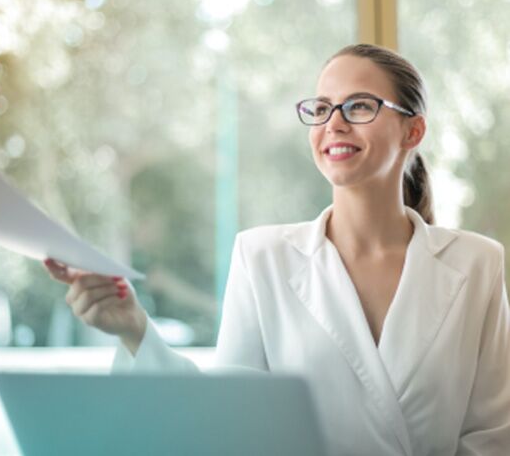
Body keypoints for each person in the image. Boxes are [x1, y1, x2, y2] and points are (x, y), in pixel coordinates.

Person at [44, 43, 510, 455]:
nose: (335, 124)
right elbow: (228, 422)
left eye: (360, 106)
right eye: (322, 108)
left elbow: (491, 435)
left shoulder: (477, 263)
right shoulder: (261, 256)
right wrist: (134, 330)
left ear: (413, 132)